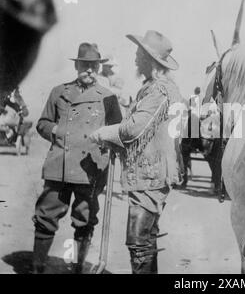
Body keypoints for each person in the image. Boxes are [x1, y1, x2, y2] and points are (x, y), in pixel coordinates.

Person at [90, 30, 184, 274]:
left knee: (139, 243)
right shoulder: (155, 88)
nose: (134, 59)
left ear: (149, 60)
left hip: (150, 177)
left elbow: (133, 129)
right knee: (145, 242)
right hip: (148, 174)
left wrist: (104, 133)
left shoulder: (159, 91)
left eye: (138, 54)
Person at [32, 43, 122, 274]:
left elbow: (118, 131)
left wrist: (107, 145)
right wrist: (55, 131)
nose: (90, 70)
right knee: (45, 217)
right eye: (85, 65)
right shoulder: (59, 92)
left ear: (99, 68)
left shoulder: (108, 97)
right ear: (76, 65)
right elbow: (42, 123)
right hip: (58, 166)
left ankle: (78, 268)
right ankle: (37, 268)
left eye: (94, 66)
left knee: (85, 220)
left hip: (89, 169)